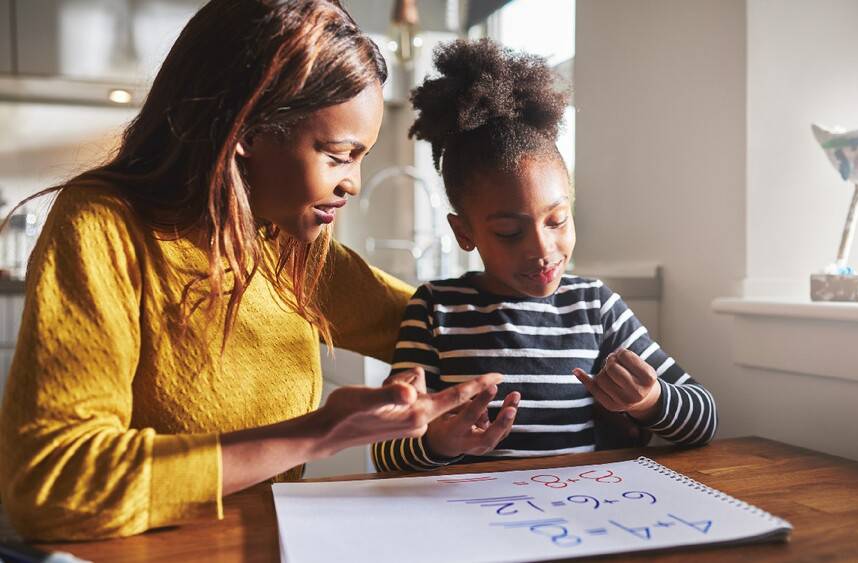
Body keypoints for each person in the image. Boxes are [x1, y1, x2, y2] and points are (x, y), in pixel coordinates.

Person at [0, 0, 507, 541]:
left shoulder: (287, 241)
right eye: (337, 155)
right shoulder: (104, 226)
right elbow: (54, 486)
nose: (353, 184)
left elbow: (446, 327)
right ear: (247, 128)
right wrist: (320, 432)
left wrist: (590, 335)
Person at [372, 39, 718, 472]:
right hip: (468, 520)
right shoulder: (434, 309)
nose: (541, 249)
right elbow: (385, 450)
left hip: (576, 516)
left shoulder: (594, 306)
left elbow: (705, 418)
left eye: (556, 221)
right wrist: (437, 443)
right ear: (464, 233)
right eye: (509, 232)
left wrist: (651, 401)